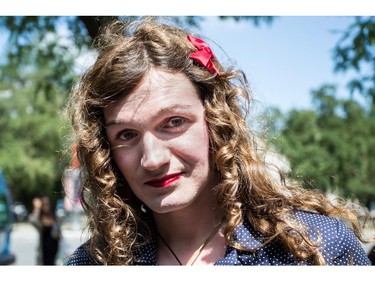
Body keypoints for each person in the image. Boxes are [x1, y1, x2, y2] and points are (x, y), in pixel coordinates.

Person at [65, 18, 372, 265]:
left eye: (173, 123)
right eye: (127, 135)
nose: (153, 159)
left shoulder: (314, 249)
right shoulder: (92, 264)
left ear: (215, 121)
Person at [29, 195, 61, 265]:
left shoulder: (54, 217)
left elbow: (59, 233)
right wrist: (37, 208)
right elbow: (32, 220)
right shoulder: (39, 218)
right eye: (43, 205)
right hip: (43, 253)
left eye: (47, 204)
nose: (46, 207)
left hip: (54, 252)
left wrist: (58, 234)